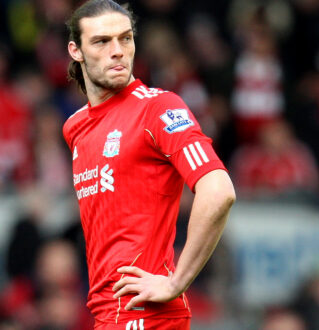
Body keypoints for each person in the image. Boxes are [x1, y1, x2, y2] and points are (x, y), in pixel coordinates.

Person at [62, 1, 236, 329]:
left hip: (148, 315)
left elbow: (219, 191)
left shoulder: (158, 108)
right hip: (105, 314)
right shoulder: (75, 127)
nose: (117, 51)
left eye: (125, 39)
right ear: (76, 50)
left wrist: (176, 282)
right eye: (101, 41)